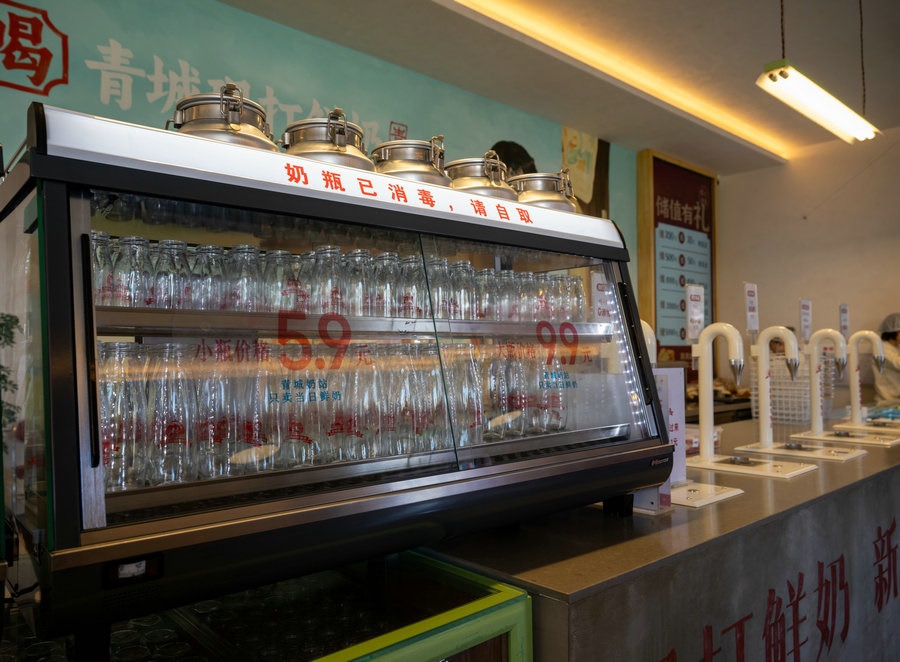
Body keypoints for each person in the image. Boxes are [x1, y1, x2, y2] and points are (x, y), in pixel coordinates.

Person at [873, 313, 900, 405]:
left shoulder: (896, 348)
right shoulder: (881, 349)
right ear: (895, 332)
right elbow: (897, 363)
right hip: (888, 401)